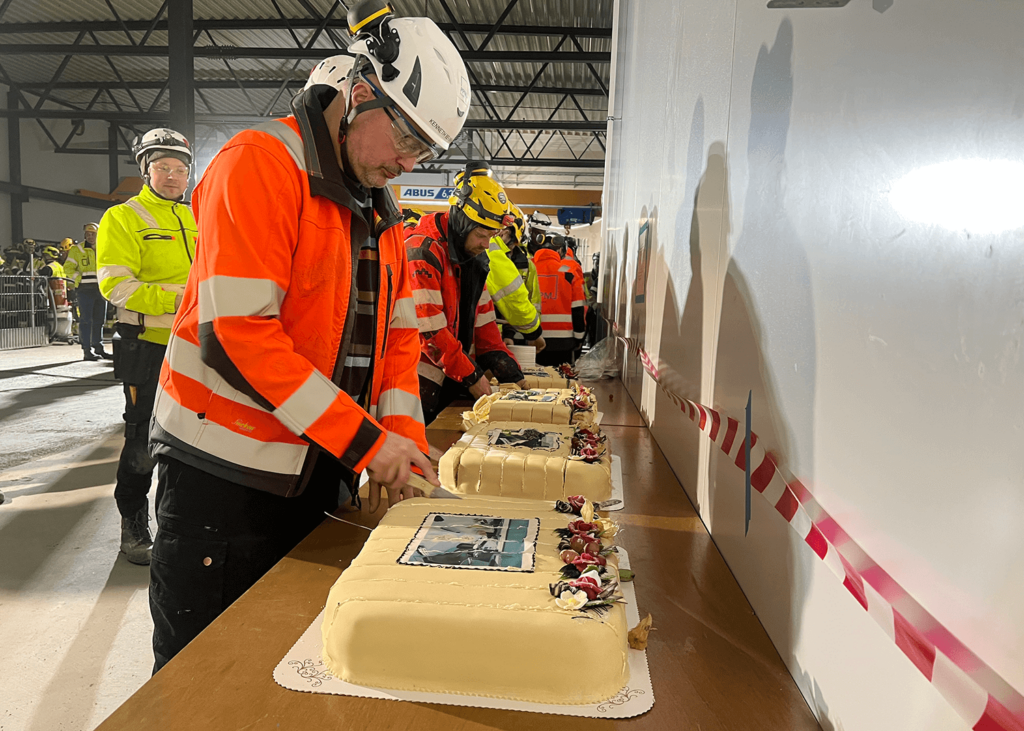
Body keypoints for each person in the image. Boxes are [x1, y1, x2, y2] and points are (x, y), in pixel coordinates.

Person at [147, 0, 466, 672]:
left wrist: (402, 438)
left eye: (425, 150)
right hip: (221, 488)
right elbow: (238, 337)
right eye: (406, 139)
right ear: (357, 94)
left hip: (311, 479)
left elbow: (400, 341)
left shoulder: (378, 211)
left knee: (284, 675)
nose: (409, 162)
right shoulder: (259, 165)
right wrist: (364, 442)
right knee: (200, 687)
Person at [96, 127, 198, 566]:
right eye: (163, 168)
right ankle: (132, 522)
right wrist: (180, 300)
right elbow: (115, 286)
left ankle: (175, 523)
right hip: (148, 345)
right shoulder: (124, 217)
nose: (172, 176)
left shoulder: (198, 217)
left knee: (191, 441)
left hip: (197, 346)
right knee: (143, 440)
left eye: (180, 169)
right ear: (146, 171)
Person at [406, 161, 525, 423]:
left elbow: (484, 324)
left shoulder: (472, 259)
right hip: (414, 381)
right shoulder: (422, 252)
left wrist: (507, 367)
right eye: (481, 234)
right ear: (461, 220)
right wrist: (471, 376)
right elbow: (430, 333)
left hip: (449, 375)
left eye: (492, 235)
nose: (486, 244)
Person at [483, 196, 545, 353]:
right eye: (512, 244)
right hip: (487, 333)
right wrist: (533, 332)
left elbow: (530, 301)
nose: (511, 250)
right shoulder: (491, 251)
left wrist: (510, 333)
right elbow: (512, 297)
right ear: (504, 233)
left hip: (505, 333)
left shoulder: (525, 265)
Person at [533, 236, 586, 366]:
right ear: (561, 251)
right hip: (563, 342)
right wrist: (579, 338)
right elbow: (578, 308)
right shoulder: (569, 272)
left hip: (532, 338)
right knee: (562, 381)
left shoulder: (529, 268)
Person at [65, 222, 111, 361]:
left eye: (93, 234)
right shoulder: (77, 250)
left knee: (99, 321)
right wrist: (79, 279)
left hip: (100, 289)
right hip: (84, 290)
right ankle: (87, 351)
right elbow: (68, 268)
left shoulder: (104, 248)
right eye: (88, 234)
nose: (90, 236)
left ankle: (99, 348)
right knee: (86, 321)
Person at [501, 204, 543, 346]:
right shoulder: (486, 258)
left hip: (519, 334)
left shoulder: (527, 265)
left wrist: (532, 333)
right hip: (489, 333)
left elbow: (533, 302)